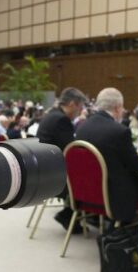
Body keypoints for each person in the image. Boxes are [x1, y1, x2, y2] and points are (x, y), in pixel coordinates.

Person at [76, 88, 138, 257]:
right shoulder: (119, 131)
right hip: (114, 194)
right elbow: (135, 165)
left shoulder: (82, 128)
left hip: (88, 192)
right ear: (118, 107)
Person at [36, 87, 87, 233]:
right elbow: (71, 151)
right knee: (91, 178)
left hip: (43, 172)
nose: (80, 112)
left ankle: (77, 215)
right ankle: (68, 215)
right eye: (80, 107)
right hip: (54, 179)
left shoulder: (52, 114)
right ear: (72, 104)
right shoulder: (62, 120)